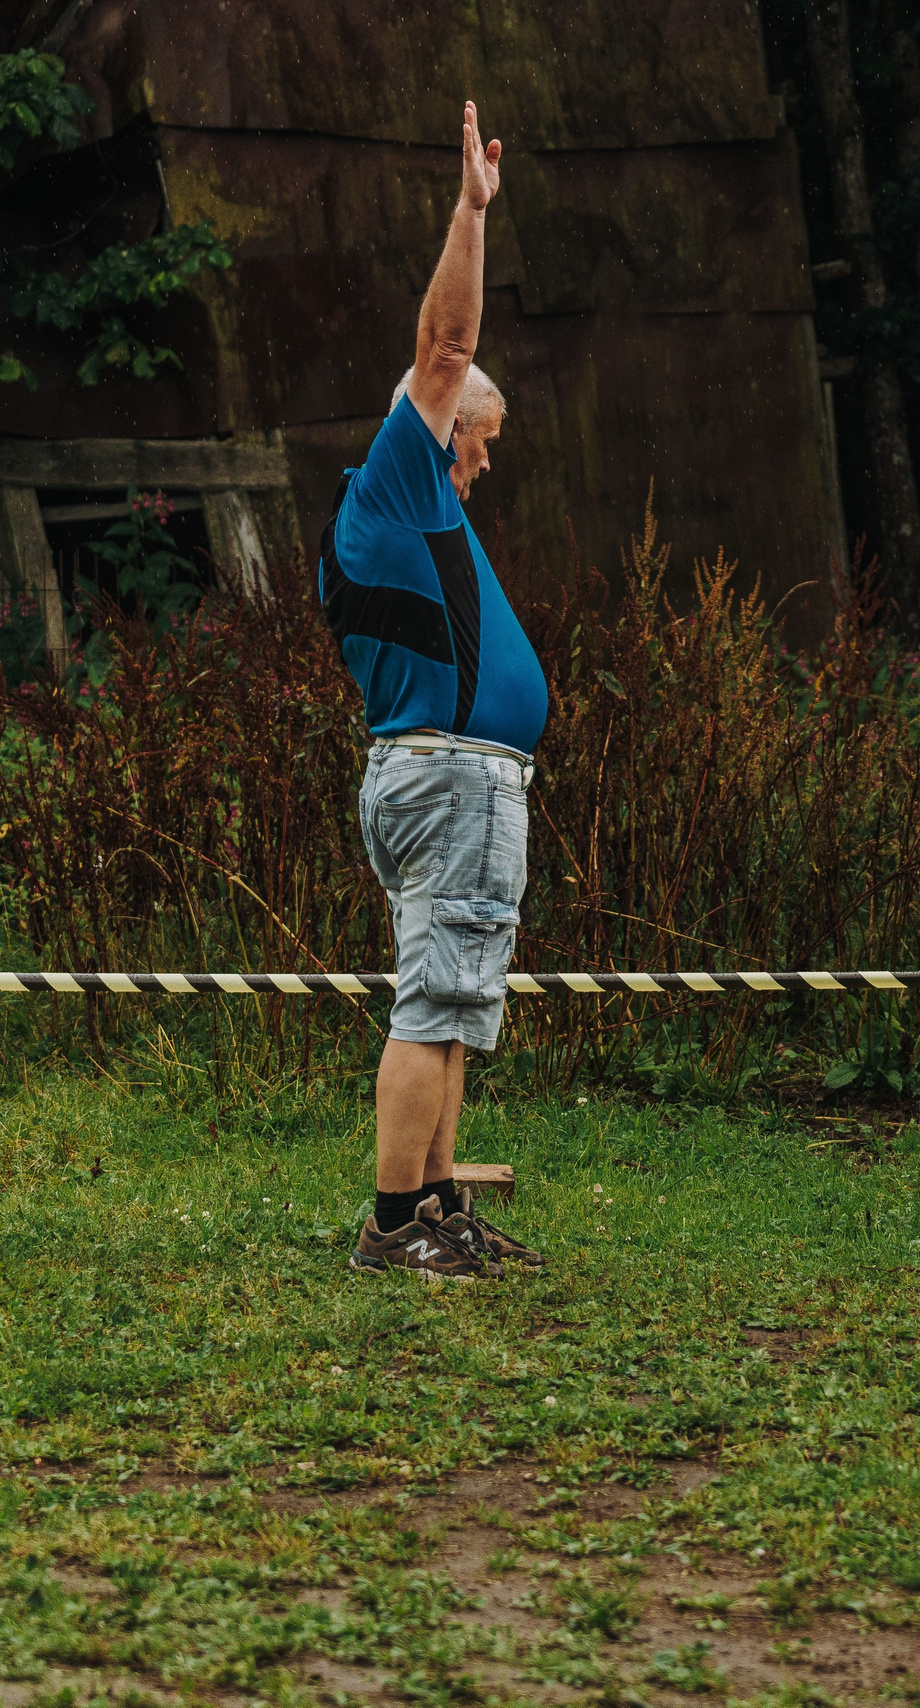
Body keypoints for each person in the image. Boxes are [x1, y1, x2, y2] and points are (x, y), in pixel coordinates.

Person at [320, 102, 547, 1280]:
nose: (486, 458)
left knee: (453, 999)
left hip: (460, 776)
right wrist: (469, 212)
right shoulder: (401, 474)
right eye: (482, 437)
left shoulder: (423, 512)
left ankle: (441, 1208)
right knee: (432, 1000)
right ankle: (395, 1224)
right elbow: (448, 347)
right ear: (439, 422)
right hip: (445, 776)